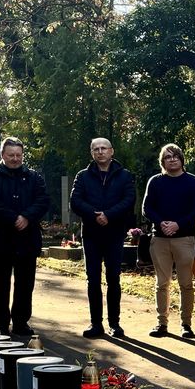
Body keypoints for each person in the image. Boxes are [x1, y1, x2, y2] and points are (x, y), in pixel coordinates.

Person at [0, 137, 49, 336]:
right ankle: (1, 323)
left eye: (19, 155)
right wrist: (14, 218)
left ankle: (21, 322)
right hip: (1, 239)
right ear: (2, 155)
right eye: (11, 155)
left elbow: (43, 200)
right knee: (0, 284)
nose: (15, 159)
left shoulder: (34, 177)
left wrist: (27, 216)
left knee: (25, 285)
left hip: (27, 239)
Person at [71, 138, 137, 338]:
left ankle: (115, 323)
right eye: (96, 149)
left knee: (113, 279)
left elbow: (129, 200)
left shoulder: (124, 175)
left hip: (114, 233)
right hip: (91, 234)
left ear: (111, 151)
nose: (100, 152)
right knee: (93, 280)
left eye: (103, 148)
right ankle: (96, 324)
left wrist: (108, 215)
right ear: (92, 153)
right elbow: (75, 201)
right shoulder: (83, 176)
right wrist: (94, 215)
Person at [141, 143, 195, 338]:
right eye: (168, 157)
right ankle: (162, 323)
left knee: (186, 283)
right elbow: (147, 208)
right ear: (163, 162)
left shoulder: (194, 182)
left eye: (175, 156)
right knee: (162, 283)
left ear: (182, 159)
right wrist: (161, 223)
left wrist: (178, 224)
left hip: (184, 238)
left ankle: (186, 324)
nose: (172, 159)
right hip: (159, 239)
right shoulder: (155, 182)